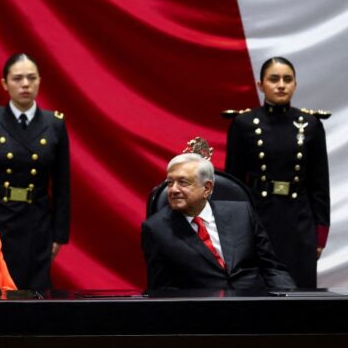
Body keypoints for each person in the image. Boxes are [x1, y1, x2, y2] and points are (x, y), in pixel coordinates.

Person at [0, 53, 70, 291]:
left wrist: (59, 235)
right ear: (4, 83)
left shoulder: (54, 124)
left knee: (35, 291)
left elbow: (62, 185)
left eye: (31, 78)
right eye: (18, 78)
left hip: (37, 220)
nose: (25, 84)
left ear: (40, 81)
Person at [225, 57, 329, 288]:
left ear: (295, 84)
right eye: (274, 79)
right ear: (261, 85)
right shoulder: (244, 123)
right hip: (257, 221)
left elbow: (319, 185)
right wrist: (230, 231)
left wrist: (319, 236)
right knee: (257, 292)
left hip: (299, 223)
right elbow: (232, 183)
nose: (281, 85)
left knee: (300, 292)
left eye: (287, 79)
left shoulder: (311, 124)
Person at [141, 153, 295, 290]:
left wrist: (289, 301)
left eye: (183, 182)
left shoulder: (242, 213)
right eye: (169, 183)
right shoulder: (156, 229)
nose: (173, 190)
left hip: (254, 301)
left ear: (207, 188)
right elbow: (162, 290)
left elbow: (272, 268)